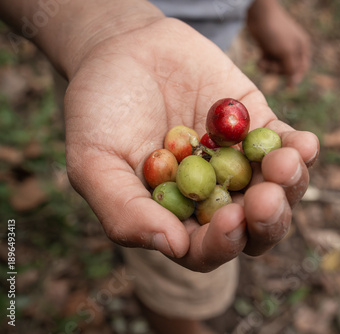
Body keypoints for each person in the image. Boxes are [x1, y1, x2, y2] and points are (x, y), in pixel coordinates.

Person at [0, 0, 319, 333]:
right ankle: (174, 321)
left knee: (223, 231)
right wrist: (97, 31)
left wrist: (261, 8)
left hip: (215, 54)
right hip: (83, 41)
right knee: (168, 266)